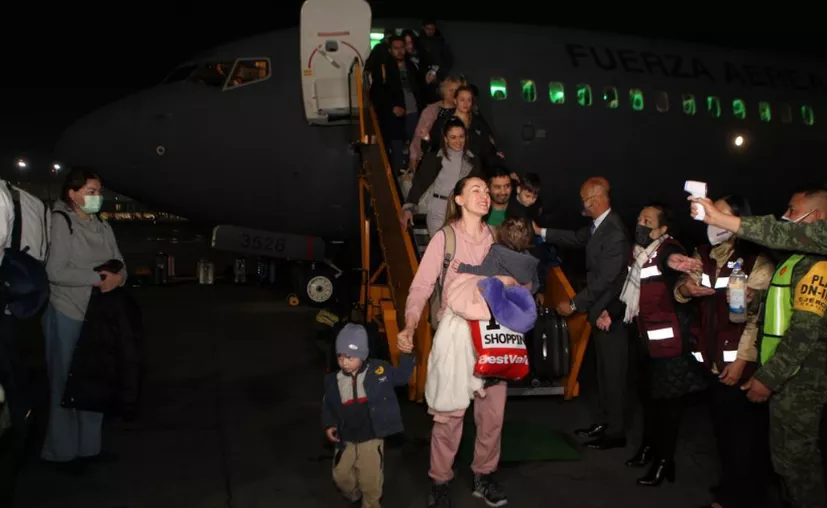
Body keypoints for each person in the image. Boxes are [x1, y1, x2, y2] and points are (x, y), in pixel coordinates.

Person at [398, 176, 510, 508]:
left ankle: (484, 476)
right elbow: (420, 287)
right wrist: (409, 324)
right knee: (449, 414)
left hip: (492, 333)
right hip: (455, 335)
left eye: (487, 191)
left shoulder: (497, 240)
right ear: (458, 199)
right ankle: (440, 479)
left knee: (492, 414)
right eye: (476, 189)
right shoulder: (444, 240)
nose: (485, 195)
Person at [674, 194, 775, 508]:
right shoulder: (703, 254)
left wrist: (744, 358)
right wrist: (685, 289)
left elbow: (758, 317)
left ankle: (741, 496)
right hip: (712, 360)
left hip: (740, 364)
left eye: (718, 211)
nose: (710, 216)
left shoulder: (756, 260)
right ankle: (730, 487)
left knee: (744, 436)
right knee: (722, 432)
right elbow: (683, 285)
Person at [597, 203, 707, 486]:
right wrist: (613, 312)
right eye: (639, 218)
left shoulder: (668, 249)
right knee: (648, 399)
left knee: (668, 408)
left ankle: (664, 462)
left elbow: (672, 262)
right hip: (647, 343)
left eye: (647, 220)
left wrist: (674, 262)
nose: (640, 224)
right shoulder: (640, 256)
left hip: (671, 348)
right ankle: (648, 449)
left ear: (662, 229)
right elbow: (631, 293)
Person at [737, 186, 827, 508]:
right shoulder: (795, 260)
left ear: (814, 217)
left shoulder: (818, 266)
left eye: (791, 210)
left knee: (799, 467)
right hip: (788, 379)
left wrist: (767, 379)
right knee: (786, 465)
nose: (785, 217)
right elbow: (783, 311)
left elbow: (804, 334)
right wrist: (755, 299)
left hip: (803, 382)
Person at [41, 167, 127, 472]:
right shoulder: (61, 221)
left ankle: (89, 449)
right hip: (68, 312)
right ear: (73, 194)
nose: (97, 197)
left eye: (99, 191)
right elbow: (55, 272)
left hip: (98, 315)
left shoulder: (102, 225)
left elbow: (121, 264)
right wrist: (97, 279)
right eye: (91, 191)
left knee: (95, 381)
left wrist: (117, 279)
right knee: (64, 383)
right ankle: (61, 452)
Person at [536, 176, 632, 449]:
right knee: (603, 372)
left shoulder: (614, 232)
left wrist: (575, 303)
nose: (582, 205)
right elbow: (575, 238)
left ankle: (615, 434)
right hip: (600, 311)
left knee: (613, 374)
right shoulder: (598, 226)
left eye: (584, 200)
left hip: (610, 313)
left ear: (597, 199)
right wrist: (541, 232)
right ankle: (604, 422)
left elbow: (606, 280)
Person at [322, 323, 415, 508]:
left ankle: (370, 503)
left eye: (350, 357)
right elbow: (328, 404)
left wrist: (407, 355)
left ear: (363, 355)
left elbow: (402, 377)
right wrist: (330, 424)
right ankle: (353, 493)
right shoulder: (334, 380)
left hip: (371, 438)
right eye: (340, 356)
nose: (344, 362)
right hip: (346, 438)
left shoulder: (379, 371)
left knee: (371, 482)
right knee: (341, 477)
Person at [401, 118, 483, 237]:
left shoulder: (473, 161)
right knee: (441, 247)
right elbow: (420, 183)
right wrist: (409, 208)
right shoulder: (434, 158)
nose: (458, 141)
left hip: (461, 211)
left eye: (461, 136)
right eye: (453, 137)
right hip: (437, 209)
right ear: (445, 139)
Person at [689, 194, 827, 255]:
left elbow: (777, 232)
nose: (785, 216)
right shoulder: (793, 257)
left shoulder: (755, 261)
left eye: (792, 210)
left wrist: (718, 219)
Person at [457, 216, 540, 293]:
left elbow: (484, 272)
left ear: (501, 234)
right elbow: (535, 285)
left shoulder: (497, 252)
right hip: (517, 303)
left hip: (497, 298)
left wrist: (464, 268)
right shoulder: (530, 260)